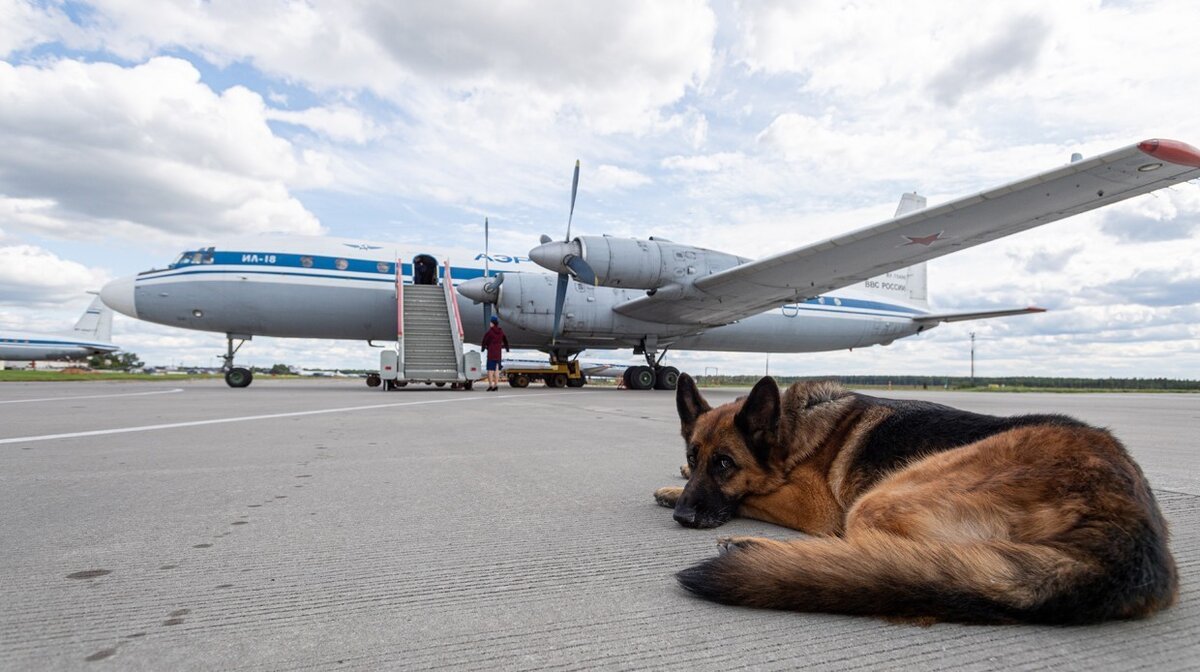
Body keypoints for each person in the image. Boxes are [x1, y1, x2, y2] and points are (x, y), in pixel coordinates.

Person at [480, 316, 510, 391]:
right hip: (498, 354)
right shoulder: (501, 331)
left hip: (491, 353)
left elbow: (485, 340)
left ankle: (491, 385)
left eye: (490, 322)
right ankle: (496, 385)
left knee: (490, 370)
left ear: (492, 323)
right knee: (496, 370)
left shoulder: (490, 332)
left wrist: (483, 348)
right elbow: (505, 339)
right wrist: (507, 348)